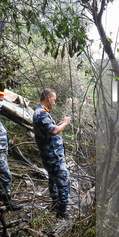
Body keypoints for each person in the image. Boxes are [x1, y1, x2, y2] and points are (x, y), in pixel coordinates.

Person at [32, 88, 71, 219]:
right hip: (53, 156)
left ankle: (55, 206)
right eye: (54, 99)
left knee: (53, 180)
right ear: (48, 98)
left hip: (50, 155)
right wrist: (65, 123)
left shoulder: (42, 113)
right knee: (64, 181)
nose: (54, 102)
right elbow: (54, 132)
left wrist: (60, 123)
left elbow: (50, 128)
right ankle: (62, 213)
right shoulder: (42, 113)